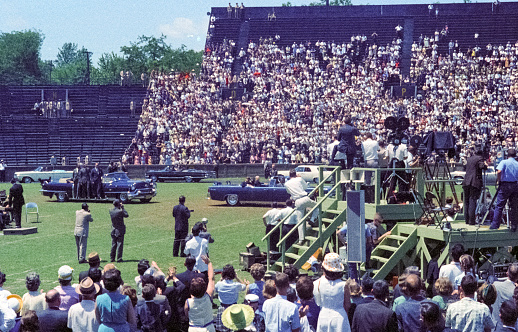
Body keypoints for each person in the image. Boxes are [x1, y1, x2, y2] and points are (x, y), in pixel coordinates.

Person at [313, 253, 351, 332]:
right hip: (339, 316)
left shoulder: (317, 283)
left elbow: (318, 302)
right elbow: (347, 305)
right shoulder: (344, 285)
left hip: (324, 315)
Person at [284, 169, 319, 241]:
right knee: (318, 206)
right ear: (296, 174)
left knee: (300, 221)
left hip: (297, 201)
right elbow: (305, 187)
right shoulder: (299, 179)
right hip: (304, 198)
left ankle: (301, 239)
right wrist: (300, 178)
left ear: (289, 175)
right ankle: (312, 219)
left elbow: (288, 192)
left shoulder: (286, 184)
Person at [184, 256, 215, 332]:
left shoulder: (188, 302)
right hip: (209, 328)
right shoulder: (208, 297)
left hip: (194, 329)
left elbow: (187, 315)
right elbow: (211, 279)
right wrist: (209, 263)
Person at [490, 148, 518, 231]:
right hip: (515, 185)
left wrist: (499, 180)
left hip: (505, 185)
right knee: (514, 206)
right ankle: (514, 225)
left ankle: (495, 225)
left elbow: (499, 171)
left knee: (499, 206)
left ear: (507, 155)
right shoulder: (517, 163)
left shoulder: (504, 162)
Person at [462, 149, 487, 225]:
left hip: (466, 181)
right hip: (474, 182)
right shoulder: (480, 158)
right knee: (472, 201)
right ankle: (471, 221)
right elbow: (481, 166)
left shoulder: (469, 159)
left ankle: (466, 220)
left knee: (466, 202)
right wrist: (485, 165)